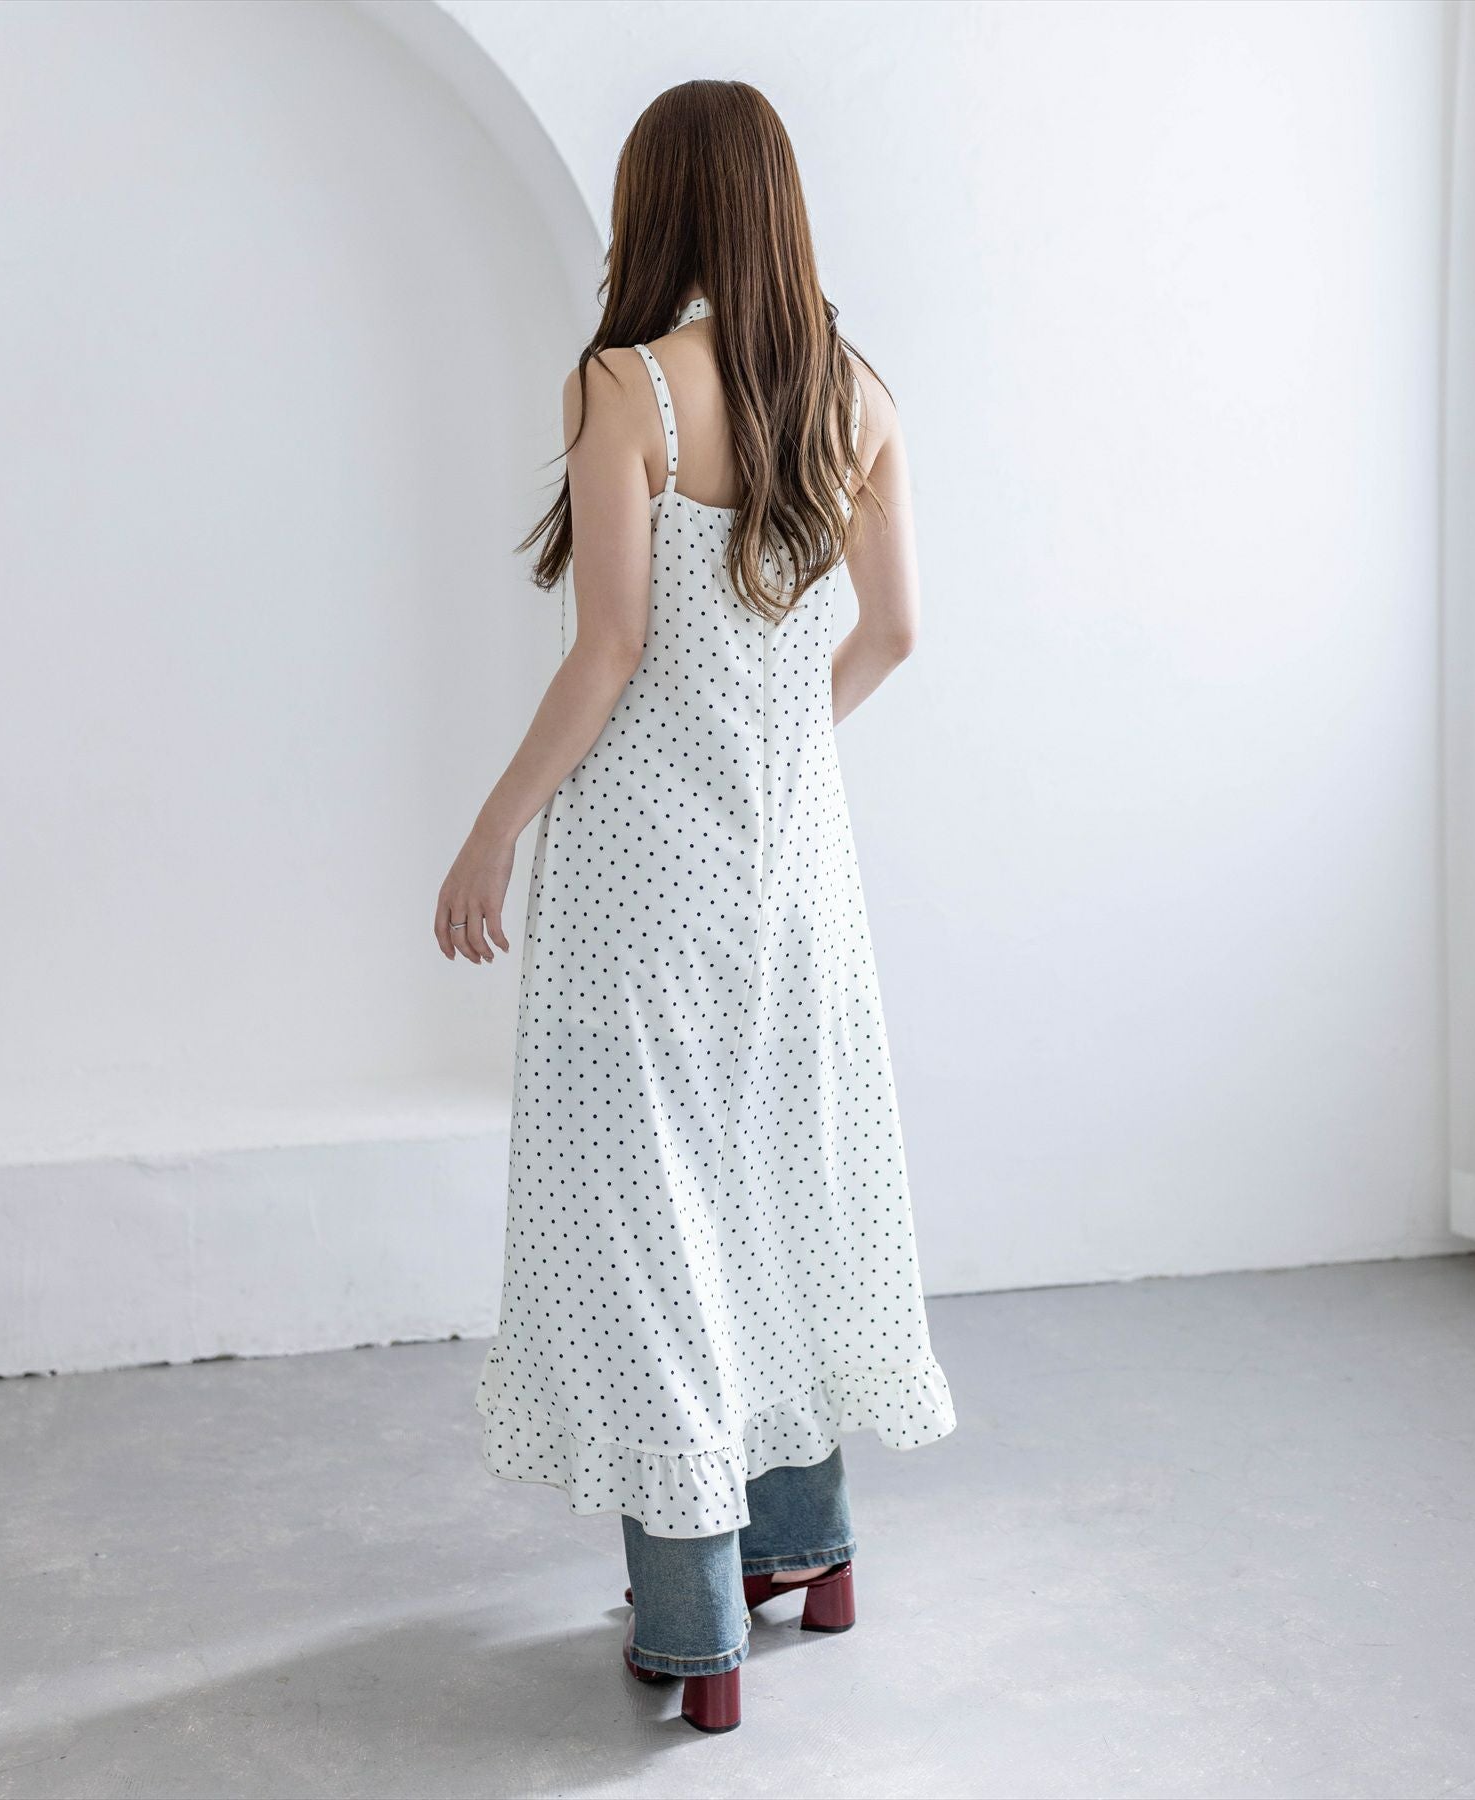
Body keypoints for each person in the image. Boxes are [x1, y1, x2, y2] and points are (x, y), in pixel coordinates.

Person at [435, 79, 955, 1735]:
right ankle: (813, 1553)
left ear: (660, 205)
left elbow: (610, 649)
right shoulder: (859, 391)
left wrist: (493, 829)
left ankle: (694, 1630)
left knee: (651, 1224)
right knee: (782, 1190)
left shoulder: (628, 385)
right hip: (800, 878)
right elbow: (895, 633)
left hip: (639, 879)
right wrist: (776, 744)